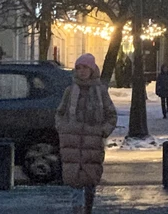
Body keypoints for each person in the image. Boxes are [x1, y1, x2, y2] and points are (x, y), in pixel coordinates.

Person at [56, 53, 117, 214]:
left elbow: (111, 115)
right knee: (75, 183)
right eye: (78, 68)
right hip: (72, 144)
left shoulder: (100, 91)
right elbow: (60, 113)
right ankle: (77, 211)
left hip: (92, 145)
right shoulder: (70, 91)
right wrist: (63, 128)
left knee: (90, 181)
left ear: (92, 70)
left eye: (85, 68)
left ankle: (88, 209)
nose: (81, 71)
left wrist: (103, 131)